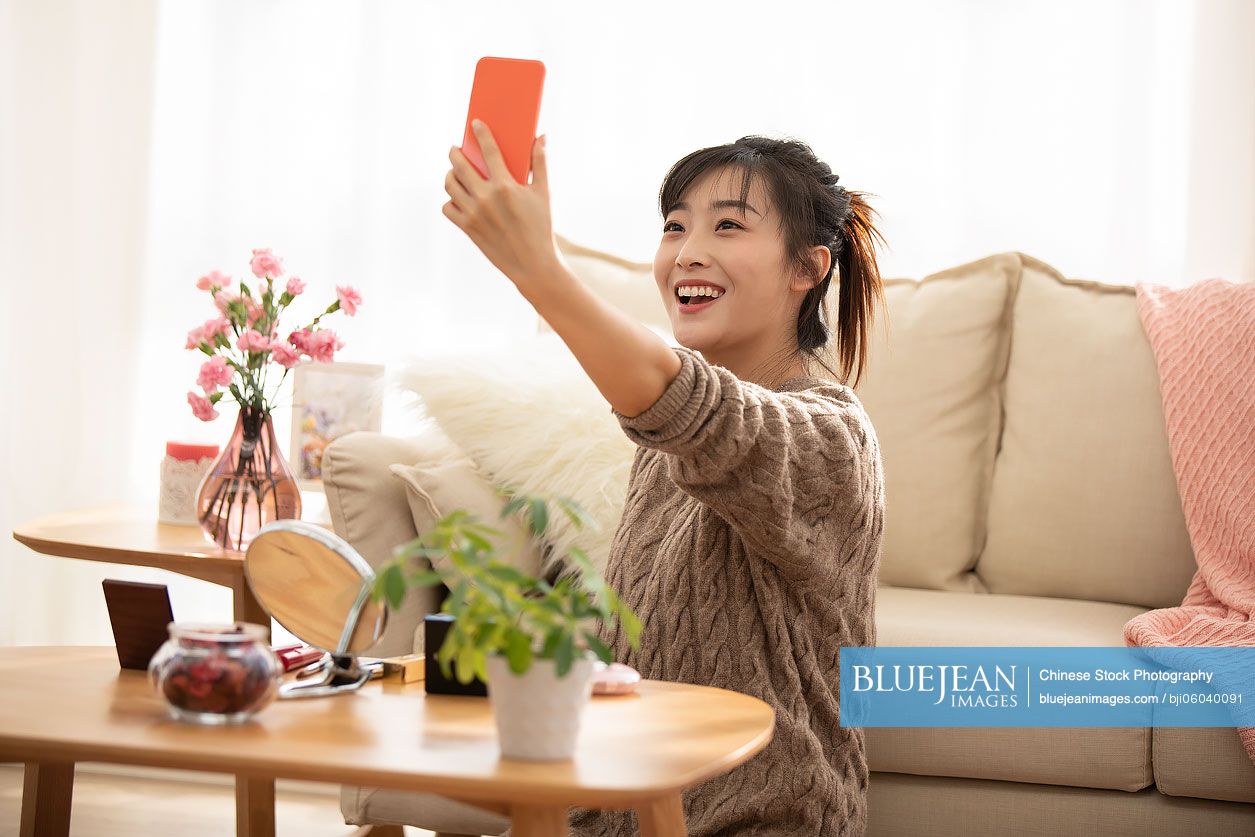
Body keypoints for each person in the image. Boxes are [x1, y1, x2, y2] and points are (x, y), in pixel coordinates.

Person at [443, 121, 889, 836]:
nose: (687, 253)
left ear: (806, 267)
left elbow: (692, 403)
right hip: (619, 807)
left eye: (728, 226)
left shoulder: (831, 438)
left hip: (759, 818)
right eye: (674, 226)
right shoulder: (663, 445)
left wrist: (538, 269)